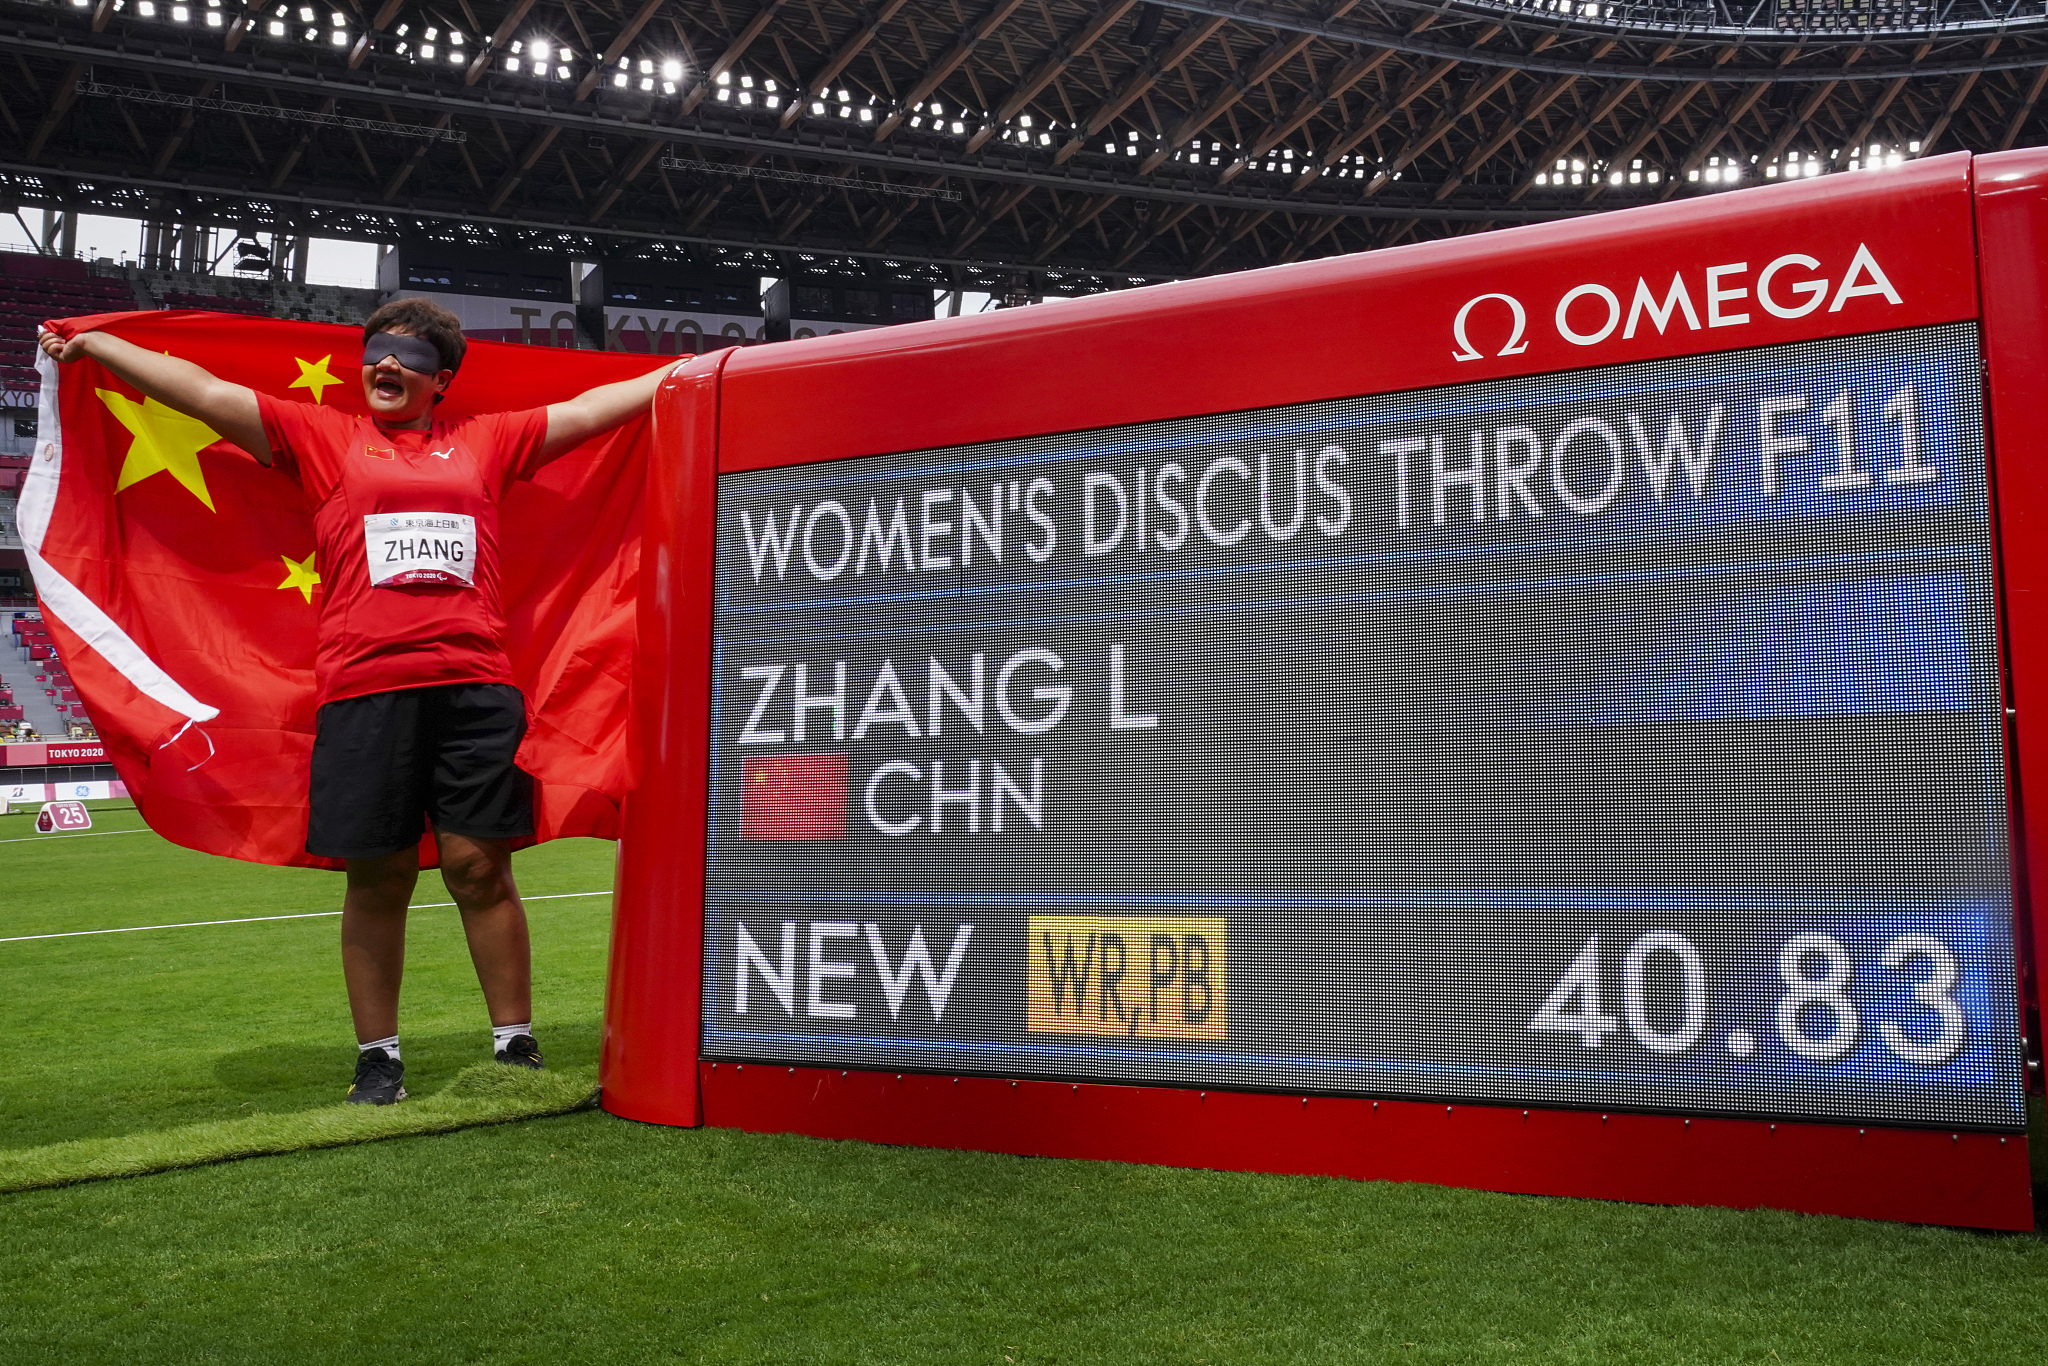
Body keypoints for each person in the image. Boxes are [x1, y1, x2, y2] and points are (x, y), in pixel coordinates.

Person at [40, 299, 671, 1105]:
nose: (386, 366)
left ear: (440, 380)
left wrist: (701, 373)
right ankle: (379, 1059)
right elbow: (199, 390)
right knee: (378, 876)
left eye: (406, 358)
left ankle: (516, 1046)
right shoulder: (323, 437)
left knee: (481, 870)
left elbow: (590, 410)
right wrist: (98, 348)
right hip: (364, 689)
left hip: (476, 689)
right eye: (376, 353)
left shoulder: (485, 442)